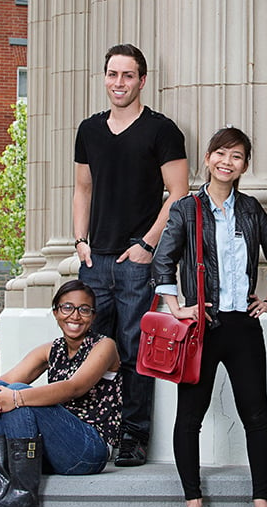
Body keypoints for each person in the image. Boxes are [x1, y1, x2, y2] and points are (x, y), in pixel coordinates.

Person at [152, 127, 267, 507]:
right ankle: (192, 498)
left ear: (245, 165)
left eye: (236, 155)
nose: (226, 162)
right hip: (203, 327)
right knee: (189, 417)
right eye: (220, 153)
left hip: (243, 328)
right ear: (208, 158)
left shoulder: (250, 209)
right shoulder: (186, 209)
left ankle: (261, 499)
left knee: (256, 416)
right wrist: (177, 308)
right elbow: (163, 260)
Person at [73, 43, 189, 467]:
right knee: (90, 347)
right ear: (104, 78)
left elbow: (178, 194)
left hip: (135, 262)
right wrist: (79, 241)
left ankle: (133, 436)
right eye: (112, 74)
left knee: (135, 348)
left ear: (142, 80)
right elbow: (82, 188)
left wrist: (146, 245)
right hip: (94, 260)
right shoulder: (88, 130)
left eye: (127, 75)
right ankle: (91, 432)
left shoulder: (161, 130)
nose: (118, 83)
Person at [0, 280, 121, 507]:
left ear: (93, 316)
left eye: (84, 309)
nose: (75, 315)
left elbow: (74, 387)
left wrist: (17, 396)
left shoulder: (104, 346)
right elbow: (3, 381)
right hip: (54, 449)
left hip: (89, 450)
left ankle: (24, 496)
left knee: (19, 393)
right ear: (55, 312)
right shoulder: (51, 349)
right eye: (67, 308)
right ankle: (2, 489)